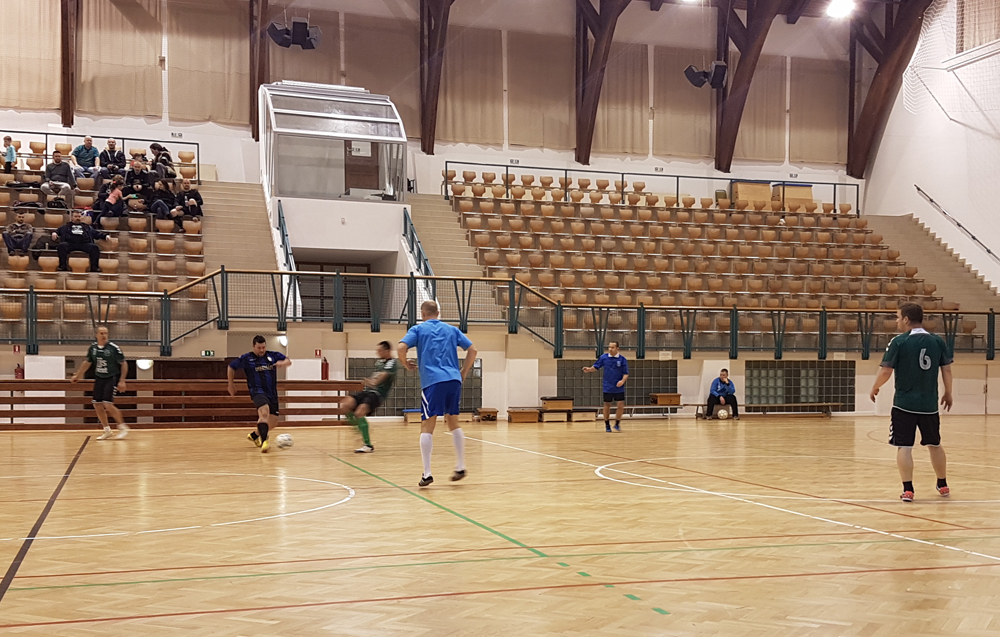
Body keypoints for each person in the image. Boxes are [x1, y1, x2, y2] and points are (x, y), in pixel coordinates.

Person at [870, 303, 953, 503]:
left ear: (906, 319)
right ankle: (942, 484)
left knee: (904, 446)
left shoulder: (899, 342)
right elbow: (947, 369)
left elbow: (886, 370)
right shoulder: (937, 341)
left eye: (898, 317)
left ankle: (908, 490)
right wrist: (948, 393)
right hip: (929, 405)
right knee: (935, 444)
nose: (897, 321)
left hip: (904, 405)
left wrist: (875, 387)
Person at [398, 300, 477, 486]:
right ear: (438, 313)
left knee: (427, 425)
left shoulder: (418, 329)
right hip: (453, 379)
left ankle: (427, 473)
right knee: (453, 422)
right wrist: (464, 371)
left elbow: (401, 347)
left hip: (433, 381)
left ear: (422, 314)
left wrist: (405, 363)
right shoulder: (452, 330)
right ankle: (460, 465)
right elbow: (473, 350)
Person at [228, 335, 292, 454]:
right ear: (254, 347)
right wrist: (231, 384)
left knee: (273, 422)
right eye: (259, 348)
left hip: (272, 393)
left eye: (263, 347)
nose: (262, 350)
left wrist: (282, 363)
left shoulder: (272, 355)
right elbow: (231, 367)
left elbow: (288, 361)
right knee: (264, 413)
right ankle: (264, 441)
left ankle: (255, 435)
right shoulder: (247, 358)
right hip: (257, 391)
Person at [334, 341, 399, 453]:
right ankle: (359, 429)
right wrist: (370, 382)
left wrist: (371, 382)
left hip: (377, 394)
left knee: (359, 413)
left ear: (387, 351)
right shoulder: (379, 362)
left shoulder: (392, 363)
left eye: (380, 351)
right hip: (368, 391)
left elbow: (381, 377)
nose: (378, 353)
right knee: (344, 405)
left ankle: (368, 445)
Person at [71, 326, 129, 440]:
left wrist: (122, 380)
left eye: (106, 333)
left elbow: (124, 363)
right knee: (97, 404)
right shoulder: (93, 348)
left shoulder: (113, 348)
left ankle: (122, 427)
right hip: (99, 377)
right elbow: (87, 362)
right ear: (96, 335)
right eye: (101, 333)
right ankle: (107, 430)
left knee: (107, 403)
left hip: (111, 377)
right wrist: (78, 375)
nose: (104, 335)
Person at [583, 341, 629, 432]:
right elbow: (596, 367)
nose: (610, 349)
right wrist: (589, 369)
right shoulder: (604, 357)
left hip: (618, 386)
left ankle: (617, 423)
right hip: (607, 385)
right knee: (607, 404)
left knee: (620, 405)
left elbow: (626, 373)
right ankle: (607, 424)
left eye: (612, 347)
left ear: (617, 348)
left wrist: (622, 381)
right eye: (609, 347)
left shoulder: (622, 359)